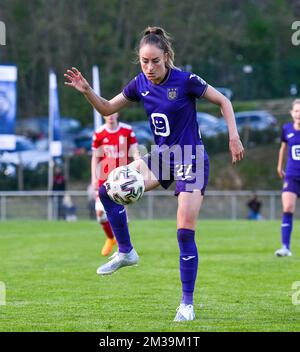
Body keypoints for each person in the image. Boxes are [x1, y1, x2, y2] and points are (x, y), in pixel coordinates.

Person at [64, 26, 244, 322]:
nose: (149, 67)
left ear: (166, 57)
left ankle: (187, 304)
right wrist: (87, 91)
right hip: (162, 157)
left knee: (184, 231)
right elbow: (107, 107)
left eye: (155, 61)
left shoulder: (186, 81)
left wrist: (233, 136)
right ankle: (126, 251)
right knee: (106, 190)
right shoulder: (139, 84)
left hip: (191, 159)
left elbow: (224, 101)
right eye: (144, 61)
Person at [91, 112, 140, 256]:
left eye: (113, 113)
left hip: (121, 179)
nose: (110, 116)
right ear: (103, 115)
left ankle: (123, 245)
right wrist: (93, 178)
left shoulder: (127, 130)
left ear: (117, 113)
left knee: (122, 213)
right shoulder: (99, 133)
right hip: (103, 178)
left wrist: (137, 166)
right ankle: (111, 238)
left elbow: (135, 151)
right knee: (100, 214)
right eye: (107, 114)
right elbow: (95, 157)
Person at [275, 99, 300, 257]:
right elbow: (283, 148)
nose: (299, 114)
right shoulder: (287, 129)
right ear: (292, 113)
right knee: (288, 207)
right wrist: (279, 166)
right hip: (291, 176)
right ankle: (285, 247)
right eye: (297, 111)